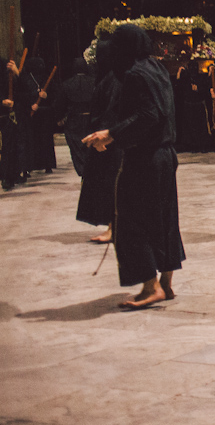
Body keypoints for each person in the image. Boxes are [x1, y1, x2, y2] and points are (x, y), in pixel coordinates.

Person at [83, 25, 185, 309]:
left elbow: (148, 116)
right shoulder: (157, 68)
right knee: (164, 219)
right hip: (165, 155)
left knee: (131, 221)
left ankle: (149, 288)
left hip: (145, 158)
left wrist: (111, 134)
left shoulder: (135, 75)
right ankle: (166, 285)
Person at [76, 40, 121, 243]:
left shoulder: (113, 78)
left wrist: (105, 137)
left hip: (108, 141)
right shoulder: (108, 77)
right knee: (105, 184)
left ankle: (114, 227)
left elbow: (112, 111)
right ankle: (112, 225)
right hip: (103, 137)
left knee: (110, 184)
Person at [56, 58, 95, 176]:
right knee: (90, 148)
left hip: (74, 120)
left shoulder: (67, 84)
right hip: (91, 119)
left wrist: (59, 118)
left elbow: (60, 103)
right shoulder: (94, 82)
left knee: (77, 148)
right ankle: (90, 172)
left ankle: (82, 172)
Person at [18, 57, 57, 174]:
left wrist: (47, 96)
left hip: (45, 113)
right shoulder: (26, 78)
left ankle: (47, 165)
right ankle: (30, 166)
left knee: (45, 140)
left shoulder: (46, 77)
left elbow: (56, 94)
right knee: (32, 140)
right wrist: (30, 104)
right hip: (31, 114)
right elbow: (21, 94)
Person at [1, 59, 22, 191]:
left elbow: (21, 90)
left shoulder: (4, 65)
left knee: (10, 146)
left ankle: (9, 176)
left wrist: (17, 73)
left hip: (7, 115)